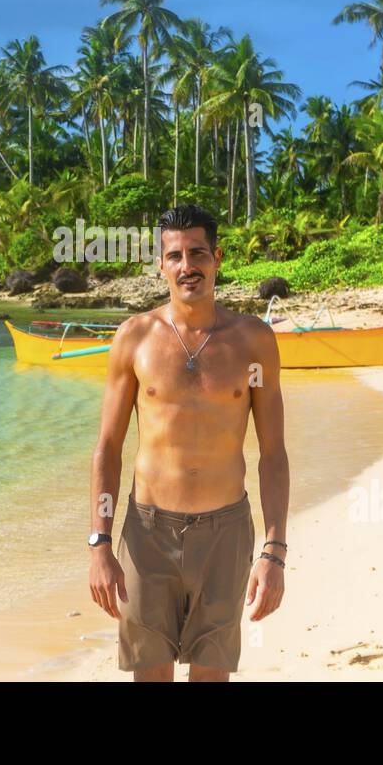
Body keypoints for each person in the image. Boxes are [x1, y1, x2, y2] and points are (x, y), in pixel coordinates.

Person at [87, 203, 288, 682]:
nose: (187, 266)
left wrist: (274, 551)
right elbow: (108, 448)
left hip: (226, 534)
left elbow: (273, 452)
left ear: (216, 257)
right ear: (161, 265)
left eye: (197, 253)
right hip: (147, 533)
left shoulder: (253, 341)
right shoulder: (134, 338)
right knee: (149, 675)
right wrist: (99, 542)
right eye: (174, 256)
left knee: (211, 677)